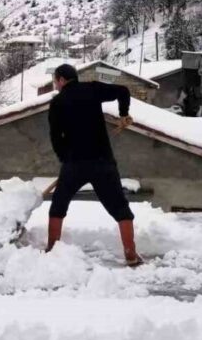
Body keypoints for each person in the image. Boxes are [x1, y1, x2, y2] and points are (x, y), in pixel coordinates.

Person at [46, 63, 142, 266]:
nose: (55, 84)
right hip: (103, 162)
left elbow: (55, 137)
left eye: (55, 81)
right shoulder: (92, 89)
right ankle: (131, 254)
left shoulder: (58, 102)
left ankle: (51, 250)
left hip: (74, 164)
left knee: (58, 205)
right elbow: (123, 91)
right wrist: (124, 113)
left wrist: (65, 158)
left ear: (62, 80)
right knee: (120, 207)